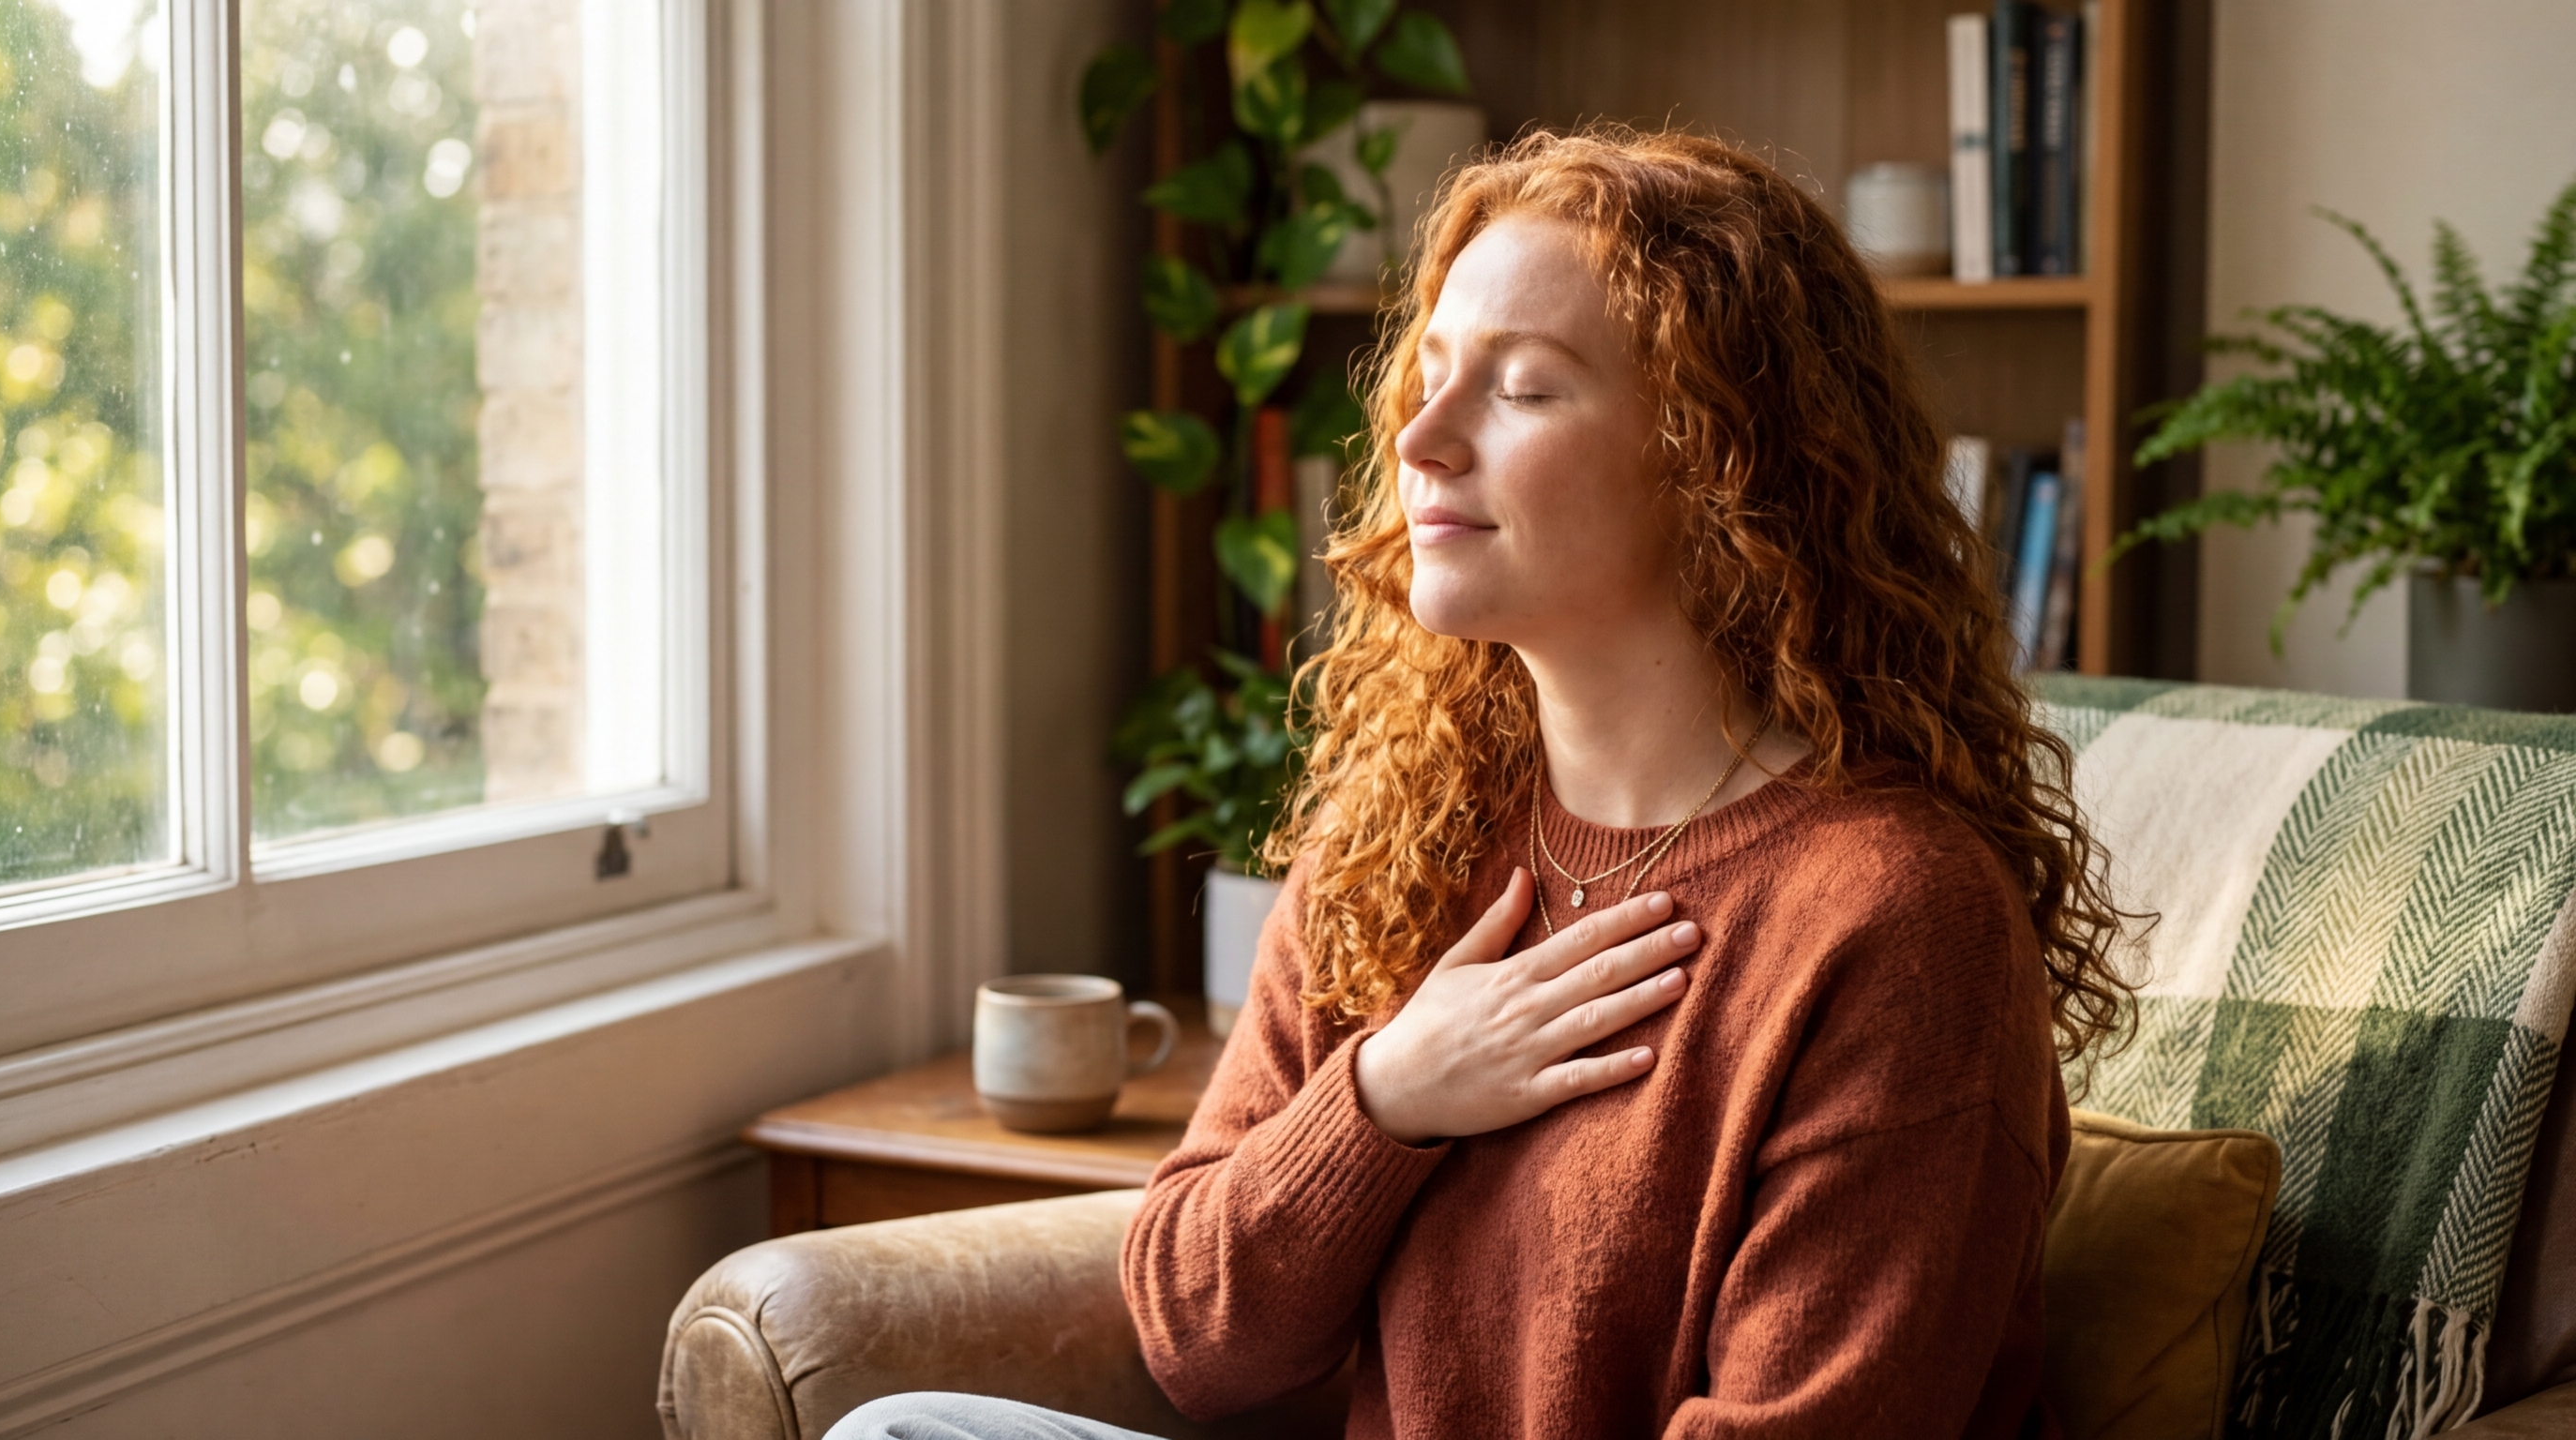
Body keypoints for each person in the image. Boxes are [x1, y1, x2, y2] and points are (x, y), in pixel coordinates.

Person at [834, 127, 2131, 1440]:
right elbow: (1195, 1343)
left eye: (1523, 389)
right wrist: (1389, 1094)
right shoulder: (1410, 829)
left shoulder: (1896, 922)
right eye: (1433, 375)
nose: (1421, 439)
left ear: (1718, 462)